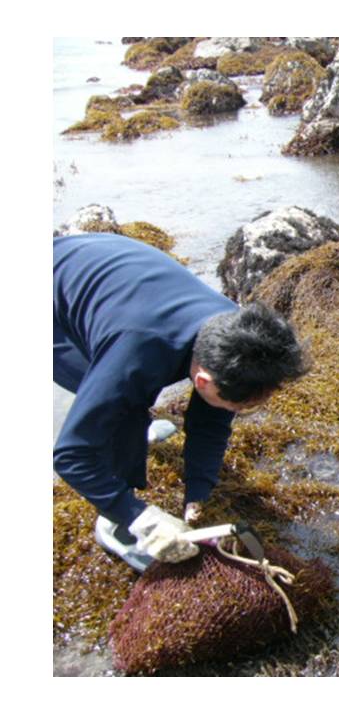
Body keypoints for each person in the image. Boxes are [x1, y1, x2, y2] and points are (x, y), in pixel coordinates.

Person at [53, 233, 308, 572]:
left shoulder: (236, 333)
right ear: (201, 381)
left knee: (127, 394)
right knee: (118, 408)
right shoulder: (136, 351)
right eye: (238, 407)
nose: (238, 413)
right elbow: (70, 455)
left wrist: (197, 492)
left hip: (109, 271)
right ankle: (114, 526)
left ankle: (132, 436)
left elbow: (211, 422)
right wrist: (138, 516)